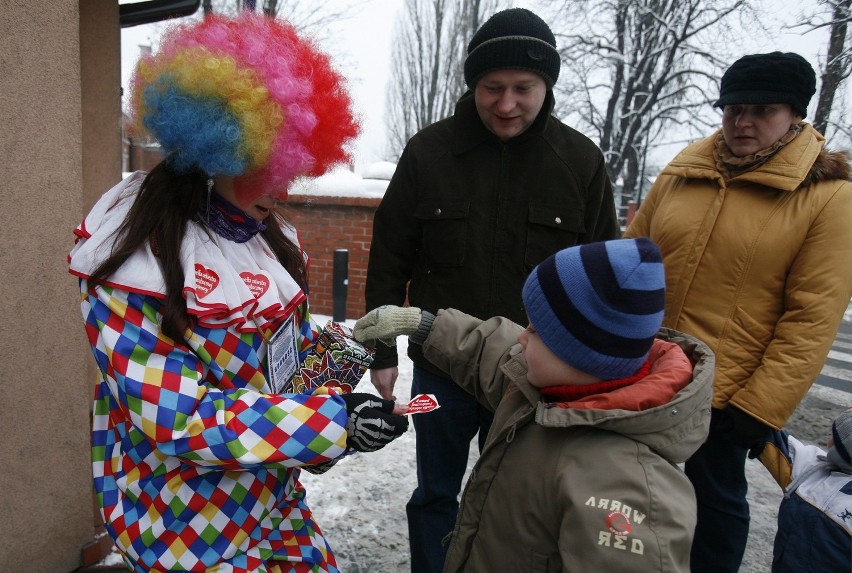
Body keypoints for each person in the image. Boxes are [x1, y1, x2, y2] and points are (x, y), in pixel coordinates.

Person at [68, 13, 408, 573]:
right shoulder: (133, 265)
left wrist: (349, 352)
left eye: (289, 164)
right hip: (183, 530)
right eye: (264, 163)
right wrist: (330, 424)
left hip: (274, 506)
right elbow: (180, 419)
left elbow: (283, 377)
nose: (283, 185)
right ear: (214, 147)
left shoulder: (267, 241)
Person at [364, 8, 619, 571]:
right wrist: (380, 352)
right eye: (491, 88)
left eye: (522, 88)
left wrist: (598, 374)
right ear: (472, 86)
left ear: (546, 85)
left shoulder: (580, 163)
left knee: (519, 504)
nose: (506, 104)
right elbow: (389, 258)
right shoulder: (429, 154)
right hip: (441, 369)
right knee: (436, 494)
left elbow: (604, 281)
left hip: (536, 375)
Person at [354, 238, 714, 572]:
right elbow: (490, 352)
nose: (523, 336)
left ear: (582, 354)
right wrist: (423, 324)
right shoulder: (550, 383)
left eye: (537, 331)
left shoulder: (630, 489)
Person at [623, 51, 852, 572]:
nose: (741, 123)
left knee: (713, 511)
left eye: (761, 110)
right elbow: (631, 260)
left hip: (724, 396)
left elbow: (812, 319)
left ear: (795, 114)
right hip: (645, 372)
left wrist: (758, 408)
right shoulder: (685, 172)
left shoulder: (828, 198)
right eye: (731, 109)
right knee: (626, 498)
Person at [760, 407, 852, 572]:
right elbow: (764, 436)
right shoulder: (812, 466)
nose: (827, 440)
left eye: (834, 436)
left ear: (843, 449)